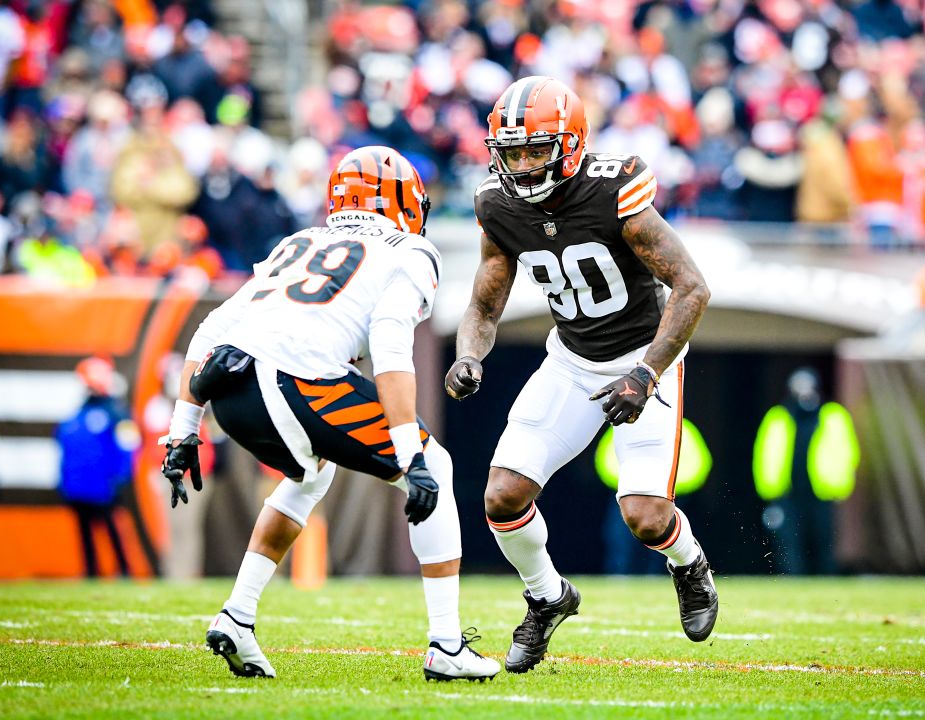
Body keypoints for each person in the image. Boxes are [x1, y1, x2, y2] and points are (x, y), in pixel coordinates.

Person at [158, 145, 499, 682]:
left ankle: (237, 616)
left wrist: (183, 431)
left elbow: (209, 331)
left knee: (309, 475)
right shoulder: (410, 250)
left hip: (231, 390)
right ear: (403, 200)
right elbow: (390, 347)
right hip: (298, 382)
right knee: (440, 466)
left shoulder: (299, 240)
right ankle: (447, 644)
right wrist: (412, 457)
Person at [446, 76, 717, 674]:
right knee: (501, 496)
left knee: (646, 518)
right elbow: (483, 306)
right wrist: (470, 355)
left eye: (535, 149)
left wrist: (645, 374)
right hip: (570, 361)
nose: (521, 163)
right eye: (510, 152)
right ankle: (547, 598)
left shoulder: (612, 189)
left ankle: (689, 564)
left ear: (569, 145)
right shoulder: (497, 205)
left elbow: (692, 287)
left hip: (646, 358)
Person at [753, 368, 859, 575]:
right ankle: (793, 579)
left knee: (824, 538)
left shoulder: (833, 416)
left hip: (823, 491)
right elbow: (765, 454)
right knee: (788, 540)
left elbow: (847, 452)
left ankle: (828, 578)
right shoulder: (779, 416)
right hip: (787, 493)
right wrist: (769, 491)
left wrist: (841, 485)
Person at [55, 357, 139, 578]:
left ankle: (123, 570)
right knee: (84, 532)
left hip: (104, 485)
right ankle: (91, 571)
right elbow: (66, 448)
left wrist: (122, 476)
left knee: (112, 529)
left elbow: (128, 445)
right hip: (78, 485)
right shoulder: (77, 413)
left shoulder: (116, 412)